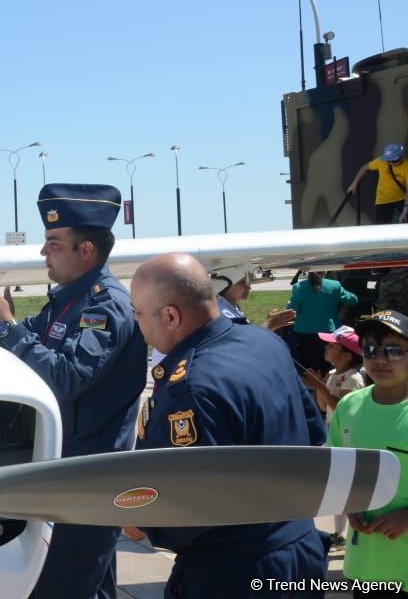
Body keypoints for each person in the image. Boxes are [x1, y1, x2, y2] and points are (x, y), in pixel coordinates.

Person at [0, 183, 146, 599]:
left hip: (87, 479)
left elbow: (65, 378)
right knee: (88, 584)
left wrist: (7, 327)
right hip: (67, 473)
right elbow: (24, 347)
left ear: (85, 250)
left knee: (65, 586)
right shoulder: (69, 301)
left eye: (53, 243)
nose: (42, 252)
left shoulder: (104, 307)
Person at [126, 253, 328, 599]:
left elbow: (192, 513)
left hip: (234, 572)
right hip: (300, 552)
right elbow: (314, 434)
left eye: (139, 314)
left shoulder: (190, 387)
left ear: (171, 315)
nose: (137, 324)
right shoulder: (266, 343)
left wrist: (141, 524)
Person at [330, 310, 408, 596]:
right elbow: (339, 471)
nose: (380, 359)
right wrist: (349, 505)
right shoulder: (349, 407)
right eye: (371, 350)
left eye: (395, 351)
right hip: (365, 568)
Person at [313, 325, 366, 549]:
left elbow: (341, 407)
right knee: (336, 484)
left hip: (348, 436)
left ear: (346, 354)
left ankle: (348, 531)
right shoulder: (334, 375)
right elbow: (324, 406)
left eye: (331, 345)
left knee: (345, 483)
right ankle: (339, 533)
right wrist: (320, 385)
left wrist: (319, 386)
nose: (325, 347)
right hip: (331, 430)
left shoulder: (353, 379)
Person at [287, 272, 360, 375]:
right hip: (329, 331)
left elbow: (291, 310)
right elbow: (353, 300)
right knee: (329, 363)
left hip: (304, 332)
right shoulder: (335, 285)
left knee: (308, 363)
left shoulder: (299, 287)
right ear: (325, 271)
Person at [210, 265, 296, 330]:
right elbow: (243, 343)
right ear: (223, 285)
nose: (249, 287)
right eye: (242, 282)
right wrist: (268, 325)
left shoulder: (231, 307)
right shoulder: (223, 313)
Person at [346, 143, 408, 224]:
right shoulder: (380, 161)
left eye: (394, 160)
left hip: (402, 199)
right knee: (382, 228)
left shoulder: (406, 166)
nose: (391, 163)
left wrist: (405, 209)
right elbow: (364, 167)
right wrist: (354, 184)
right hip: (383, 201)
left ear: (401, 157)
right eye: (389, 160)